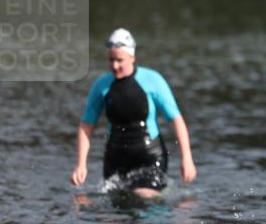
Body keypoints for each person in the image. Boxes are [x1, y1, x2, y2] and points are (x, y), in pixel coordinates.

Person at [70, 29, 196, 199]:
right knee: (113, 206)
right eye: (111, 60)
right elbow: (86, 125)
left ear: (132, 58)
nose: (115, 66)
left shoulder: (153, 81)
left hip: (150, 156)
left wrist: (186, 158)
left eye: (119, 60)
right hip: (115, 157)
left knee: (142, 196)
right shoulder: (101, 86)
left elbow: (176, 120)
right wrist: (81, 165)